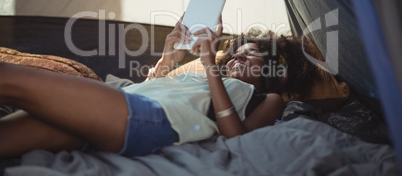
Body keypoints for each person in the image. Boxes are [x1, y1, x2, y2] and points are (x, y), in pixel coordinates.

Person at [0, 16, 296, 158]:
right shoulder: (203, 77)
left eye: (252, 53)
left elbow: (237, 138)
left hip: (152, 119)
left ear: (269, 67)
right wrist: (168, 58)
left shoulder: (268, 98)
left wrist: (208, 62)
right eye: (236, 54)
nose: (239, 57)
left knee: (8, 76)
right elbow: (151, 89)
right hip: (125, 104)